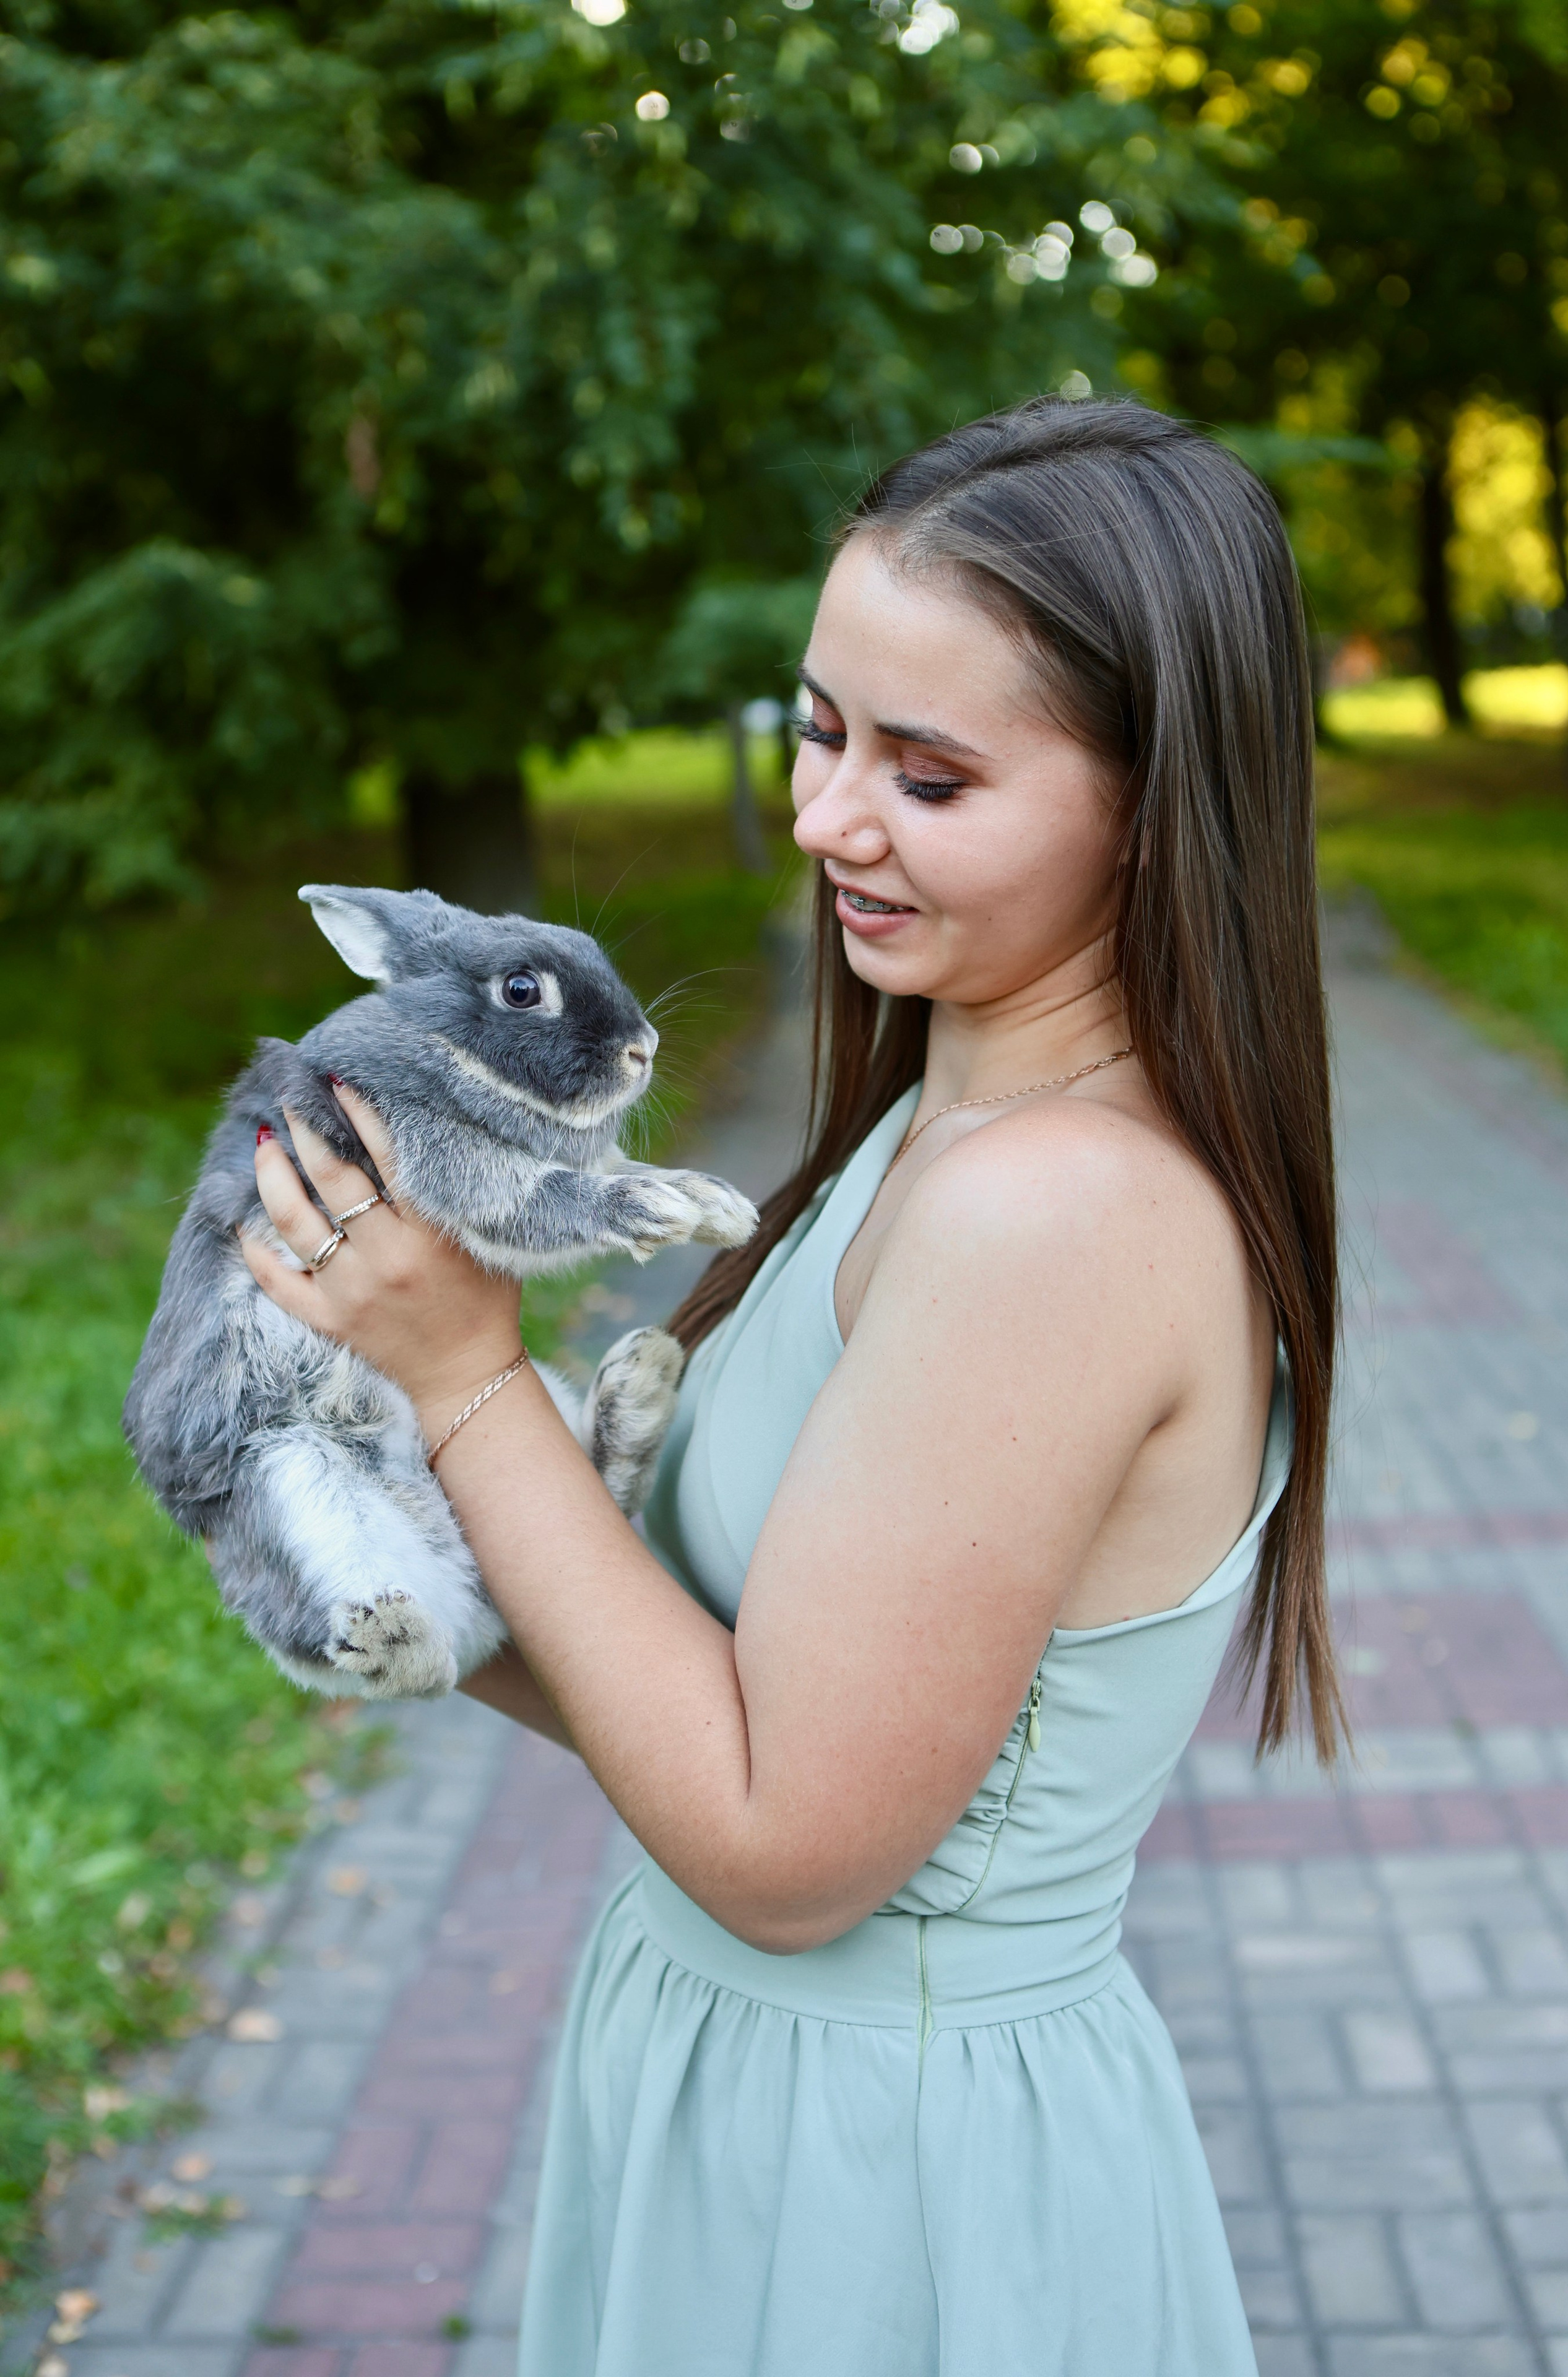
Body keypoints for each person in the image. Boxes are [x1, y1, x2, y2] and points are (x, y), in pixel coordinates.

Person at [243, 396, 1344, 2376]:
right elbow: (706, 1685)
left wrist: (469, 1373)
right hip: (764, 2108)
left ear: (1152, 805)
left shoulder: (1058, 1217)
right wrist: (342, 1516)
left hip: (886, 2191)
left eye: (930, 775)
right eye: (822, 732)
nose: (832, 818)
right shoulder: (937, 1124)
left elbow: (783, 1851)